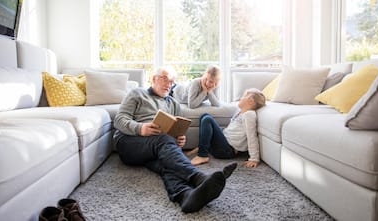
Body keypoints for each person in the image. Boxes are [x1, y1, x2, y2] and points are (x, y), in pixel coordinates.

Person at [113, 66, 238, 213]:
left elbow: (176, 130)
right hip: (129, 143)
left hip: (156, 147)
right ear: (154, 79)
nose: (168, 84)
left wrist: (179, 139)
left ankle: (185, 196)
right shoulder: (137, 93)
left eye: (171, 82)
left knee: (169, 164)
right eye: (165, 79)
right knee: (163, 140)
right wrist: (140, 128)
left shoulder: (172, 103)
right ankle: (198, 178)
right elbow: (119, 120)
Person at [190, 88, 266, 168]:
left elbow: (252, 136)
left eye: (244, 96)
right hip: (224, 142)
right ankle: (203, 147)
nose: (241, 98)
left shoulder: (249, 115)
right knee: (205, 116)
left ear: (251, 101)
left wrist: (254, 158)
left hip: (227, 150)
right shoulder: (240, 112)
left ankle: (202, 155)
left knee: (207, 119)